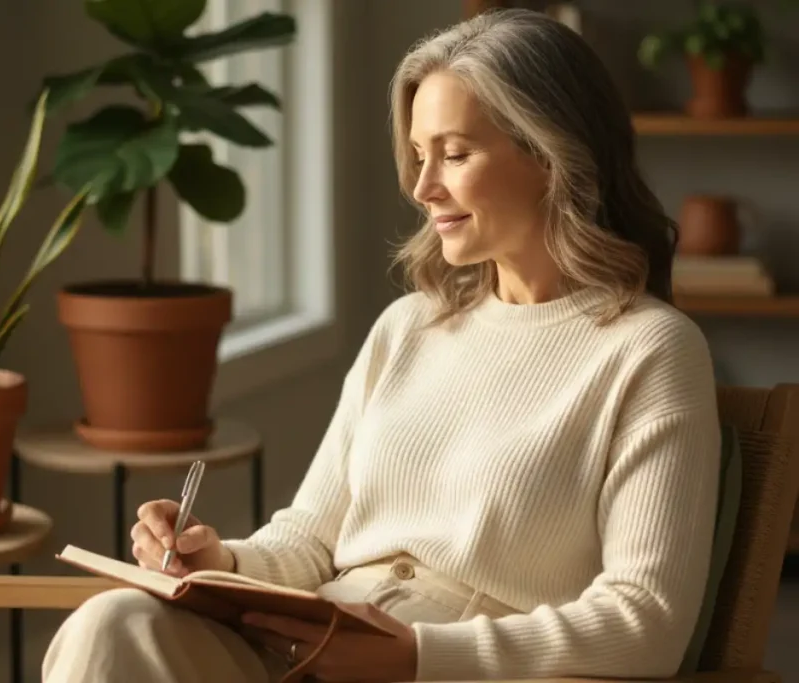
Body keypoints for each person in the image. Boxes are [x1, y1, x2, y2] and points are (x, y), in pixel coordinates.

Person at [42, 8, 721, 683]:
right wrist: (217, 561)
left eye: (454, 155)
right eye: (420, 155)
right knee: (112, 623)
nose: (423, 187)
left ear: (552, 156)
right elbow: (308, 537)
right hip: (306, 643)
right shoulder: (407, 327)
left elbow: (647, 618)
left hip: (459, 670)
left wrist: (423, 657)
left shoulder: (649, 351)